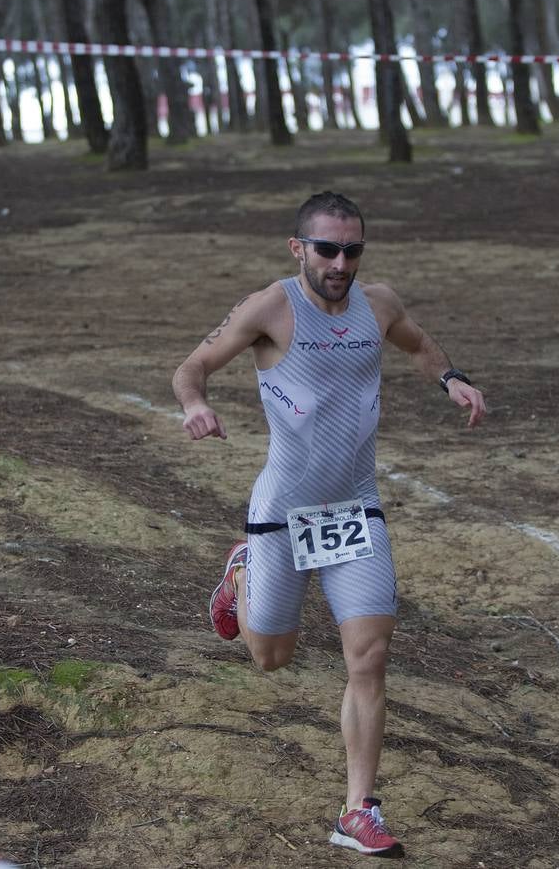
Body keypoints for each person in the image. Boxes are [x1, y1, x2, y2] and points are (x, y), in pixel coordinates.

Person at [171, 191, 486, 857]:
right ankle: (242, 571)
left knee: (369, 657)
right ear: (298, 249)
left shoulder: (380, 304)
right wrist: (195, 405)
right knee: (270, 657)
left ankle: (358, 810)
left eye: (353, 249)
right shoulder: (271, 308)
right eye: (327, 249)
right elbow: (191, 367)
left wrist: (450, 379)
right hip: (284, 509)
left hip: (354, 505)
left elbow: (419, 344)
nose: (341, 262)